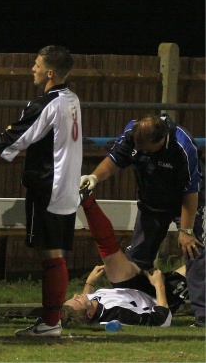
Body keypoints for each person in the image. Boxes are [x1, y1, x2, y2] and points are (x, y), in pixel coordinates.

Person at [0, 45, 81, 337]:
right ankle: (51, 321)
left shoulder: (46, 104)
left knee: (50, 255)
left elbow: (10, 139)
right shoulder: (71, 98)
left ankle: (50, 322)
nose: (31, 69)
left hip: (49, 187)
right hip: (65, 186)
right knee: (54, 254)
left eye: (35, 65)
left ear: (49, 72)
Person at [80, 113, 204, 327]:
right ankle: (143, 303)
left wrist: (187, 230)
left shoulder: (183, 147)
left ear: (161, 140)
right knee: (137, 259)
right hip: (151, 204)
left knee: (194, 253)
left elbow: (191, 192)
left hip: (183, 203)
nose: (143, 152)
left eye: (148, 148)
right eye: (140, 148)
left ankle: (203, 316)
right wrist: (94, 177)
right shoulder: (133, 132)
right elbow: (115, 160)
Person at [62, 193, 188, 327]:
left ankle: (87, 199)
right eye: (77, 300)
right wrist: (159, 285)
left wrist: (90, 282)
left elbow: (86, 299)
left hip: (128, 286)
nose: (76, 295)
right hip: (158, 296)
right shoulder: (117, 316)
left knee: (109, 254)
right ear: (89, 314)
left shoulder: (90, 306)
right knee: (198, 264)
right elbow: (161, 321)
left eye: (72, 298)